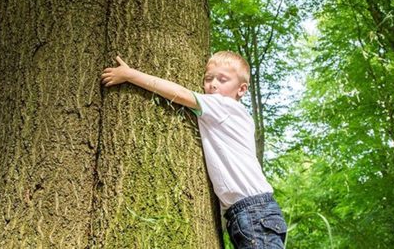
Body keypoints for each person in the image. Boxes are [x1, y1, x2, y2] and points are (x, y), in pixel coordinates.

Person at [101, 51, 287, 248]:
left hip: (254, 212)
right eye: (208, 78)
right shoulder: (232, 115)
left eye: (223, 80)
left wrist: (130, 75)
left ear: (241, 89)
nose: (213, 84)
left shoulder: (224, 106)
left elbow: (180, 94)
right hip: (251, 212)